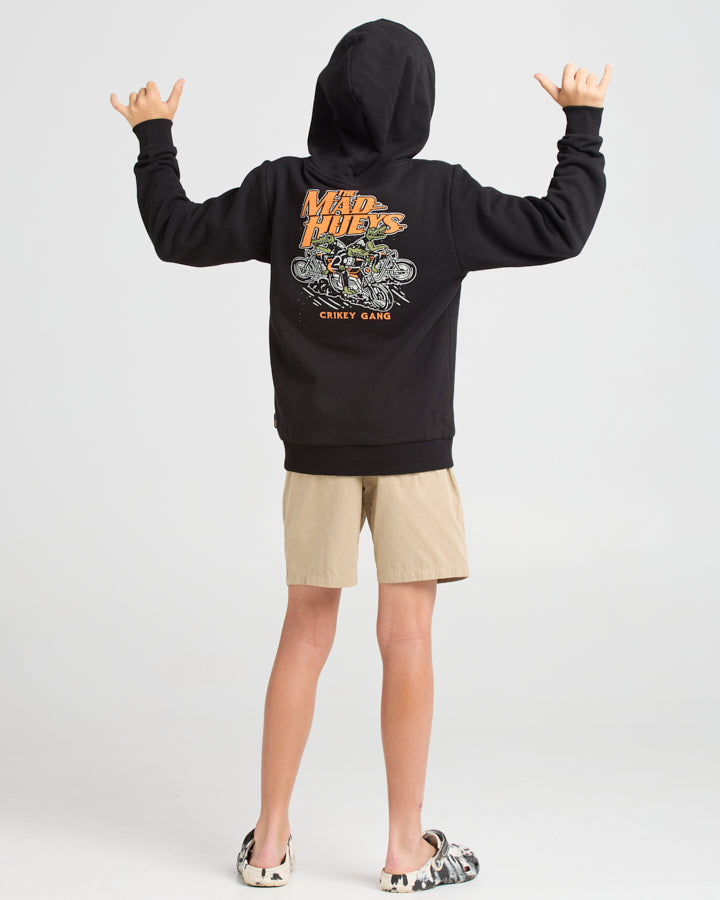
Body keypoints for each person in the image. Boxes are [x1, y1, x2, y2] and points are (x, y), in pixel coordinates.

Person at [110, 17, 611, 892]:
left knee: (305, 632)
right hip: (414, 453)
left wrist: (154, 139)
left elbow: (177, 234)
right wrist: (582, 127)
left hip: (316, 454)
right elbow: (559, 227)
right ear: (420, 102)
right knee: (406, 636)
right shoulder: (442, 194)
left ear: (327, 97)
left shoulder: (283, 190)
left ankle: (270, 845)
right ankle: (405, 849)